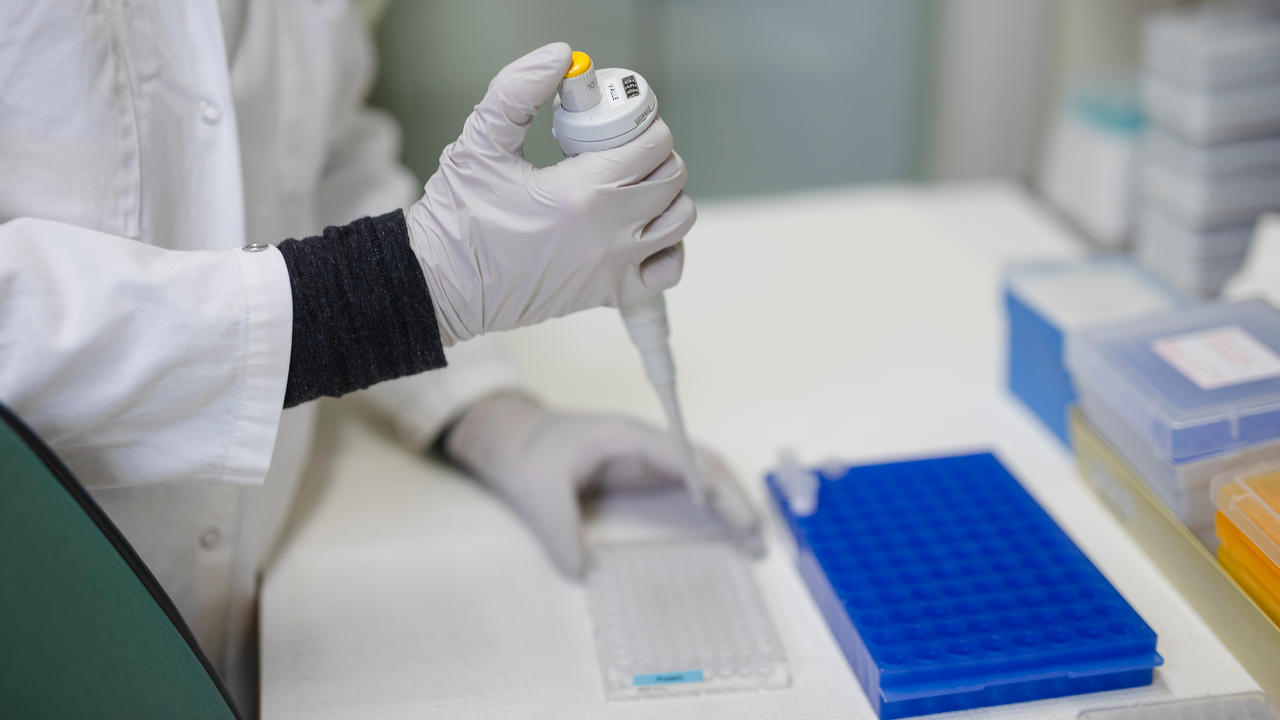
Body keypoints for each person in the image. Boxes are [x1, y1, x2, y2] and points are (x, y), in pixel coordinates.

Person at [0, 3, 761, 713]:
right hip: (46, 627)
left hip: (278, 605)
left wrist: (494, 416)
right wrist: (402, 286)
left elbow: (316, 162)